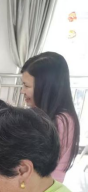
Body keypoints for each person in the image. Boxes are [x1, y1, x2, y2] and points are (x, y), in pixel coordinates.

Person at [21, 52, 81, 183]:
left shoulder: (60, 121)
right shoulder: (45, 115)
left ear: (45, 88)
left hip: (39, 189)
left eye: (27, 86)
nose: (22, 91)